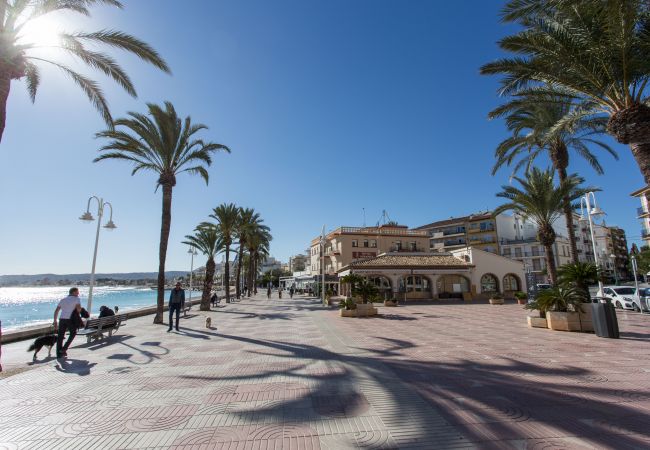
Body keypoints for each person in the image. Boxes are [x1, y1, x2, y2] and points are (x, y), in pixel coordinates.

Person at [53, 287, 82, 359]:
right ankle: (64, 348)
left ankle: (59, 354)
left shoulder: (63, 300)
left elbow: (56, 311)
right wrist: (78, 311)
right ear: (73, 292)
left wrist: (55, 321)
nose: (78, 293)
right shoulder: (77, 299)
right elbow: (79, 309)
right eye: (77, 292)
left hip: (62, 319)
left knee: (60, 336)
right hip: (70, 319)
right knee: (73, 333)